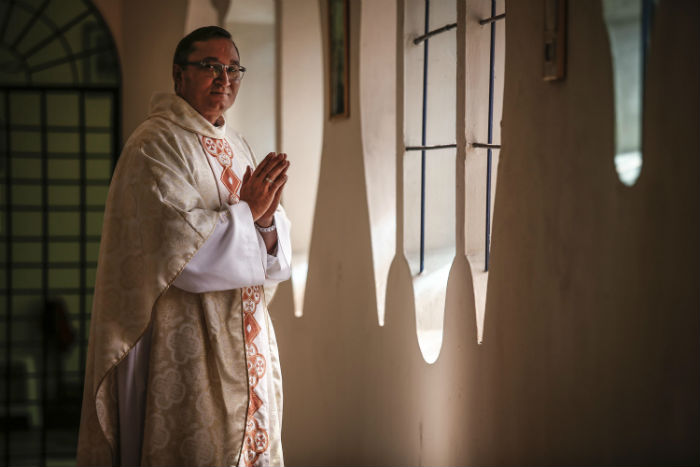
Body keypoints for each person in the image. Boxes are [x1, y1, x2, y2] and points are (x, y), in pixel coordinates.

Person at [76, 26, 291, 466]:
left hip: (245, 338)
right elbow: (183, 253)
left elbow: (272, 253)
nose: (223, 78)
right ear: (179, 76)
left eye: (232, 69)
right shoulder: (154, 146)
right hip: (187, 342)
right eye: (210, 67)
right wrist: (249, 214)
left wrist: (267, 223)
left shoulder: (238, 146)